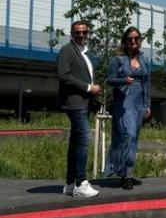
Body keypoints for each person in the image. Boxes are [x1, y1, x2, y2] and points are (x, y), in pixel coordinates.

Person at [57, 20, 101, 198]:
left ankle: (70, 184)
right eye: (77, 33)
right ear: (71, 33)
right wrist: (89, 88)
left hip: (84, 103)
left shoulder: (85, 53)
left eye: (84, 32)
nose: (81, 35)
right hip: (74, 103)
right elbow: (64, 76)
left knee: (75, 143)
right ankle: (81, 183)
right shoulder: (67, 51)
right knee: (83, 139)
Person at [105, 27, 151, 190]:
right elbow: (109, 80)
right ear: (125, 41)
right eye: (130, 38)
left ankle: (128, 171)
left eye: (136, 38)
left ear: (140, 40)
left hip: (139, 103)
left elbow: (147, 83)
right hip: (124, 102)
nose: (133, 41)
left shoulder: (144, 59)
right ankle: (127, 176)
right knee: (128, 135)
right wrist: (123, 80)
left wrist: (147, 105)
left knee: (133, 139)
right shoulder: (118, 59)